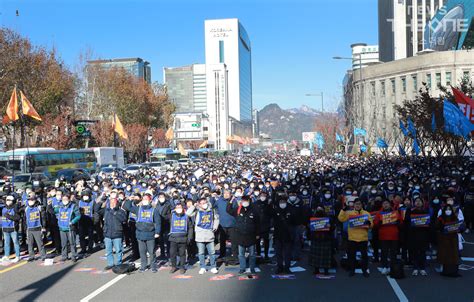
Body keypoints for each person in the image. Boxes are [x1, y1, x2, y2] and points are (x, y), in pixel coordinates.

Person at [123, 193, 161, 273]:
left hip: (150, 234)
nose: (145, 201)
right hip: (140, 233)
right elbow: (126, 207)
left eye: (146, 199)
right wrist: (130, 199)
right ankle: (143, 266)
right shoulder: (138, 209)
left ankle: (153, 266)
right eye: (143, 199)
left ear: (150, 200)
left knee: (151, 252)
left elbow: (158, 222)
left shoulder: (154, 210)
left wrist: (157, 232)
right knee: (142, 252)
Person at [338, 199, 373, 277]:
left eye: (359, 204)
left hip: (363, 238)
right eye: (356, 204)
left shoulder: (366, 214)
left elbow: (371, 225)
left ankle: (364, 270)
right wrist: (343, 210)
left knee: (364, 256)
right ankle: (352, 270)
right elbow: (341, 219)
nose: (358, 205)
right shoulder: (349, 213)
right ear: (354, 205)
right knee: (351, 256)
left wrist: (369, 223)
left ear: (362, 205)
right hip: (352, 238)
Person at [227, 195, 260, 274]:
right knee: (241, 254)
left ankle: (252, 268)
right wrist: (231, 201)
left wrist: (258, 234)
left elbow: (258, 223)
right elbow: (228, 210)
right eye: (243, 201)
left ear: (249, 201)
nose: (245, 202)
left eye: (246, 201)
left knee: (252, 254)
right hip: (240, 235)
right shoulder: (238, 210)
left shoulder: (254, 210)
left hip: (251, 235)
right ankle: (242, 268)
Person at [187, 197, 219, 274]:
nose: (203, 204)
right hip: (200, 235)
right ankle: (202, 267)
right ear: (199, 204)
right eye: (201, 203)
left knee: (212, 252)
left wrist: (215, 227)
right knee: (201, 253)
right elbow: (188, 213)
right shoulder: (197, 211)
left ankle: (213, 266)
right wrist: (194, 206)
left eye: (204, 203)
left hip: (209, 234)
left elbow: (216, 219)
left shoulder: (212, 210)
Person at [374, 200, 402, 275]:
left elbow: (401, 222)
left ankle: (392, 267)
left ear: (390, 205)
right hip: (383, 236)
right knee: (384, 252)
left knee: (393, 252)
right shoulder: (379, 213)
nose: (385, 205)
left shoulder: (395, 212)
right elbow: (375, 224)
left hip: (394, 235)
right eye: (384, 203)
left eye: (387, 203)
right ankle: (384, 266)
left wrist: (398, 222)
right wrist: (379, 223)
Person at [405, 197, 430, 276]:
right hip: (413, 234)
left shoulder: (426, 211)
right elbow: (406, 221)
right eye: (416, 201)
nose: (418, 202)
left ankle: (422, 268)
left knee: (423, 252)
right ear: (414, 203)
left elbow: (429, 222)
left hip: (423, 234)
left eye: (420, 201)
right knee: (414, 252)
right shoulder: (410, 210)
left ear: (422, 203)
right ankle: (415, 268)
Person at [212, 189, 238, 265]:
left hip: (232, 224)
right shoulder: (219, 201)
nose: (226, 194)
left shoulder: (233, 201)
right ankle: (222, 254)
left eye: (228, 193)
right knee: (222, 241)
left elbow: (236, 210)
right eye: (225, 193)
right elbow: (214, 207)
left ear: (230, 194)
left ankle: (234, 255)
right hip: (222, 224)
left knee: (234, 241)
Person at [101, 197, 127, 270]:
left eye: (114, 202)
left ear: (117, 203)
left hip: (117, 233)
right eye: (111, 202)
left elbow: (123, 219)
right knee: (108, 250)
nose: (112, 204)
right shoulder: (106, 210)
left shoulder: (121, 211)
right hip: (107, 233)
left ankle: (119, 263)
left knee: (118, 250)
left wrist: (114, 212)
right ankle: (110, 263)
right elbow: (97, 210)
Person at [308, 205, 335, 275]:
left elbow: (333, 228)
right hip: (316, 239)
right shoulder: (313, 218)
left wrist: (330, 226)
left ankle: (326, 270)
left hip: (326, 239)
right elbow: (309, 229)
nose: (319, 210)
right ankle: (316, 269)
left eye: (321, 209)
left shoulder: (328, 218)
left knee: (326, 256)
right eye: (318, 209)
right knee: (315, 256)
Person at [437, 205, 461, 277]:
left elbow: (459, 227)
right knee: (444, 253)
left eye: (449, 209)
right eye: (446, 209)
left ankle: (453, 270)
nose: (448, 211)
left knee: (453, 255)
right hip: (444, 238)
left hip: (453, 239)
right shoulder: (440, 218)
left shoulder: (455, 217)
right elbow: (436, 226)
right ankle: (444, 269)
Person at [168, 202, 193, 274]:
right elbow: (163, 215)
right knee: (172, 254)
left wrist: (189, 237)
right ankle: (174, 266)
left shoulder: (187, 216)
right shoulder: (171, 216)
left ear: (183, 209)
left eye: (180, 207)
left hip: (183, 238)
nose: (178, 209)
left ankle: (182, 267)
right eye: (177, 208)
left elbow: (190, 227)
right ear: (175, 209)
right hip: (173, 238)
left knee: (182, 254)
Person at [271, 196, 294, 274]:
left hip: (287, 235)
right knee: (278, 253)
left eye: (284, 202)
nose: (282, 204)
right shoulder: (275, 211)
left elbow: (294, 221)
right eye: (281, 202)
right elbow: (271, 219)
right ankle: (279, 267)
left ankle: (287, 267)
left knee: (287, 253)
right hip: (278, 235)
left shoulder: (290, 210)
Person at [56, 194, 81, 262]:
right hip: (62, 227)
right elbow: (55, 211)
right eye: (63, 199)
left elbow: (78, 216)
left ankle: (74, 255)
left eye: (66, 199)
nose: (64, 201)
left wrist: (72, 222)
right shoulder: (60, 206)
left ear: (69, 199)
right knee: (63, 243)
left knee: (72, 243)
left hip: (70, 227)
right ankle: (64, 256)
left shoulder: (73, 206)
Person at [24, 196, 47, 262]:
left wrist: (43, 227)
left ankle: (43, 256)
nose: (30, 201)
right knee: (30, 244)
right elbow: (25, 219)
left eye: (31, 200)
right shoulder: (26, 208)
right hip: (29, 228)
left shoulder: (39, 208)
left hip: (37, 228)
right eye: (29, 200)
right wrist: (25, 228)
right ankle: (31, 256)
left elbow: (43, 218)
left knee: (40, 243)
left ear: (35, 200)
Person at [1, 196, 21, 263]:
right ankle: (6, 256)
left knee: (16, 242)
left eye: (10, 200)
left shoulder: (15, 208)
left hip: (13, 228)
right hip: (5, 228)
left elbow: (18, 218)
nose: (8, 201)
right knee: (6, 243)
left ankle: (17, 256)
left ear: (13, 201)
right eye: (7, 200)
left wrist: (8, 216)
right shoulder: (3, 208)